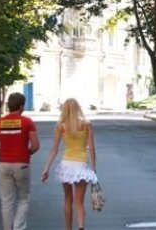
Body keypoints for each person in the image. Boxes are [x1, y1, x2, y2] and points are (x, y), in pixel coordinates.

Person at [41, 98, 97, 230]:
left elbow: (54, 149)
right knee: (79, 203)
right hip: (81, 164)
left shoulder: (61, 126)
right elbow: (92, 148)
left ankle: (68, 228)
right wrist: (94, 168)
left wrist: (46, 168)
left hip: (66, 165)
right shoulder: (86, 124)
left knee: (68, 199)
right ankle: (81, 226)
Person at [0, 92, 40, 230]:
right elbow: (35, 146)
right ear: (21, 106)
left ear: (9, 106)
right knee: (23, 198)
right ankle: (18, 226)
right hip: (22, 164)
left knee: (6, 201)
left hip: (4, 164)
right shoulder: (27, 122)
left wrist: (3, 152)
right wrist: (25, 153)